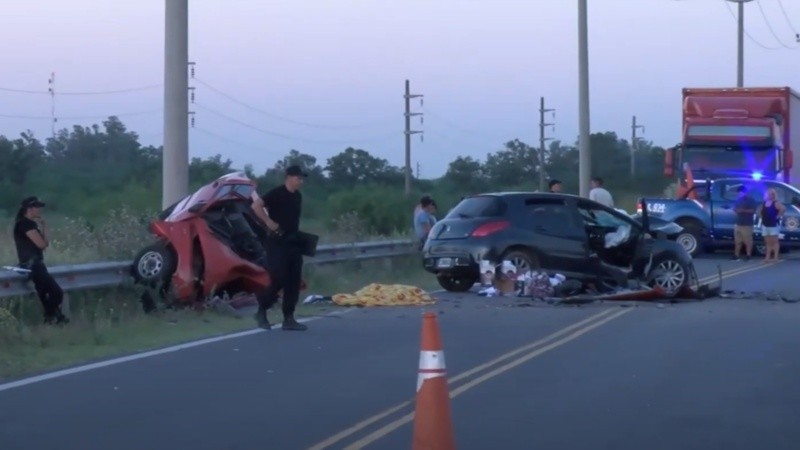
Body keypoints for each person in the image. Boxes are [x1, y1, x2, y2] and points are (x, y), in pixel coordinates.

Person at [249, 165, 309, 331]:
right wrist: (268, 222)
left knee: (294, 280)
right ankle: (262, 309)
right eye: (298, 178)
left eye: (302, 179)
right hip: (277, 242)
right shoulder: (277, 193)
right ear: (289, 177)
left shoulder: (298, 196)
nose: (301, 181)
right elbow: (256, 206)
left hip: (293, 241)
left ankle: (288, 318)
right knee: (278, 277)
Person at [13, 196, 69, 325]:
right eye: (37, 207)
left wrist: (45, 226)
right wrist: (44, 228)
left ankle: (52, 319)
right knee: (56, 293)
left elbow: (45, 244)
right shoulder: (25, 224)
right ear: (29, 209)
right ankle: (50, 316)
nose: (40, 210)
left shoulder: (29, 224)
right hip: (33, 265)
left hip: (36, 264)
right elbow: (42, 245)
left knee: (44, 294)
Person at [757, 187, 785, 262]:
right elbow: (758, 211)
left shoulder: (775, 203)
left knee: (774, 241)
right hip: (765, 224)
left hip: (774, 225)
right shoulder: (764, 203)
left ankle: (775, 257)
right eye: (769, 194)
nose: (770, 195)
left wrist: (778, 216)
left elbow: (783, 208)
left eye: (772, 194)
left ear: (774, 195)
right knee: (768, 242)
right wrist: (761, 217)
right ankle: (767, 257)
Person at [732, 185, 756, 261]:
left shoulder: (751, 200)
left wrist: (743, 210)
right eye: (739, 193)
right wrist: (735, 210)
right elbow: (734, 209)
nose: (739, 194)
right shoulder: (737, 200)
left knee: (748, 241)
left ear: (745, 192)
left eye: (741, 192)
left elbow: (753, 210)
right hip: (738, 223)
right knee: (737, 241)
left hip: (747, 224)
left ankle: (748, 255)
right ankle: (736, 255)